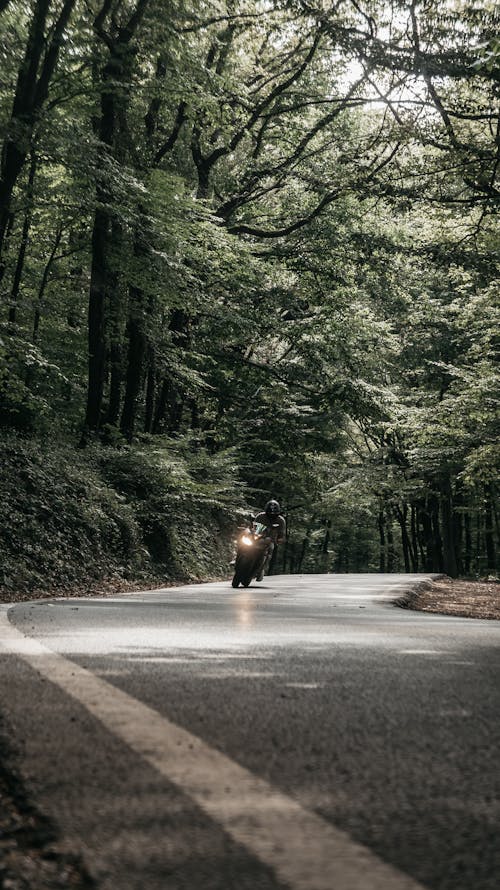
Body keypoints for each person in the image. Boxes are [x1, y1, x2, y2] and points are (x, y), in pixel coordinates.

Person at [254, 499, 286, 581]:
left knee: (270, 550)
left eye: (274, 514)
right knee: (243, 543)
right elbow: (253, 527)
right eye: (269, 513)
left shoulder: (281, 520)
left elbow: (282, 533)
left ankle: (262, 569)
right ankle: (236, 558)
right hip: (257, 539)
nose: (271, 515)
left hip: (271, 541)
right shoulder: (260, 516)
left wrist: (280, 539)